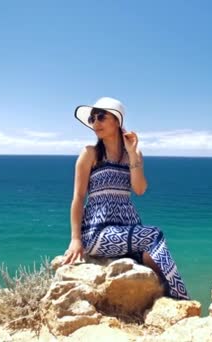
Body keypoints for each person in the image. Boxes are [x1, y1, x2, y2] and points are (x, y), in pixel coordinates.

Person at [61, 96, 190, 300]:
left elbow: (139, 189)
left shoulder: (134, 153)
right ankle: (180, 298)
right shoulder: (90, 153)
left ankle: (163, 296)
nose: (95, 123)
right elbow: (78, 197)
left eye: (101, 117)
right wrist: (76, 239)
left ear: (117, 121)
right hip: (98, 232)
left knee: (152, 251)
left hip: (128, 229)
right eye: (92, 119)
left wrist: (132, 153)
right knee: (154, 235)